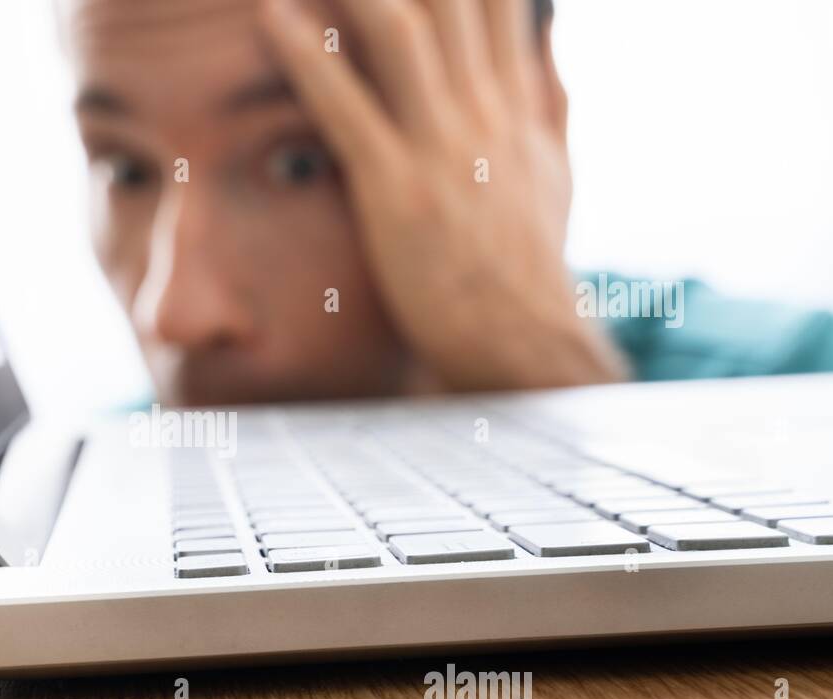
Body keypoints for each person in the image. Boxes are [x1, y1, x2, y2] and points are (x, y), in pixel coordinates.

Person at [62, 0, 833, 406]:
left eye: (300, 161)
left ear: (531, 116)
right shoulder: (77, 501)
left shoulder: (802, 395)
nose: (175, 313)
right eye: (127, 169)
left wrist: (537, 371)